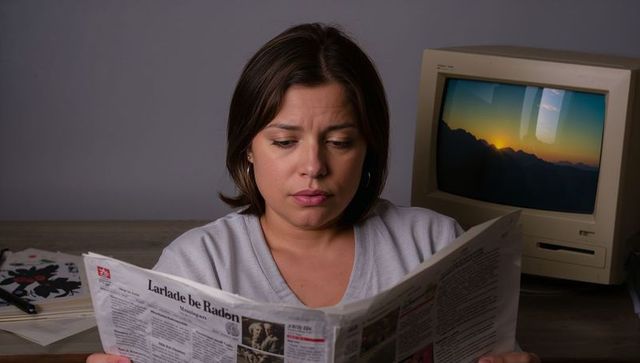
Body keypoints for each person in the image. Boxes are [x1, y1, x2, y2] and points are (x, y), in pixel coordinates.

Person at [87, 23, 539, 363]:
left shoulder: (435, 244)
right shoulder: (197, 265)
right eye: (284, 142)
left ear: (369, 149)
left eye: (340, 142)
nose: (314, 167)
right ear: (248, 148)